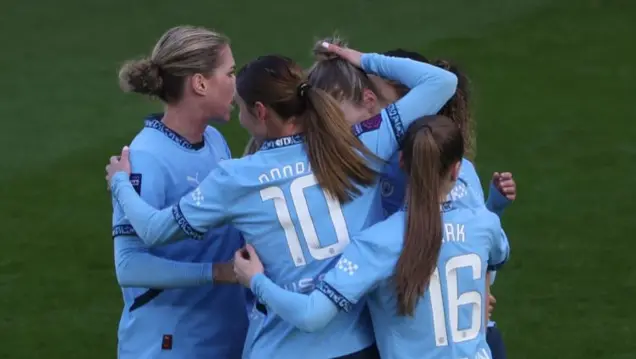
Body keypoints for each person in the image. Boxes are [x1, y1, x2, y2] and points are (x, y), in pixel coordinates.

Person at [105, 43, 458, 358]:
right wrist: (359, 58)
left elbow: (152, 231)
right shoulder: (358, 146)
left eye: (241, 108)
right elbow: (441, 83)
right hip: (356, 344)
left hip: (281, 346)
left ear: (260, 112)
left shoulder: (235, 178)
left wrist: (120, 182)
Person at [233, 115, 510, 359]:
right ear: (457, 169)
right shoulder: (484, 224)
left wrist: (256, 280)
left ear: (401, 162)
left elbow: (311, 315)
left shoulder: (380, 242)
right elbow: (490, 264)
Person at [110, 26, 248, 359]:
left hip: (226, 332)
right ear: (200, 83)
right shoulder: (146, 158)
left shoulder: (214, 140)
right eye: (229, 73)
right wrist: (217, 272)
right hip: (171, 341)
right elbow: (129, 266)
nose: (237, 83)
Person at [371, 48, 516, 359]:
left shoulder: (460, 174)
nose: (371, 108)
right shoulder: (381, 168)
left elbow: (479, 251)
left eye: (379, 100)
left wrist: (494, 207)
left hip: (466, 334)